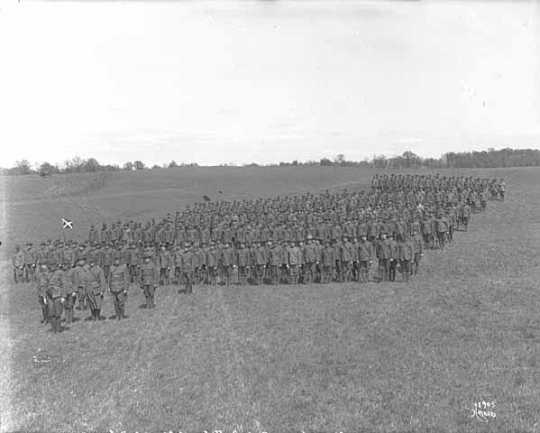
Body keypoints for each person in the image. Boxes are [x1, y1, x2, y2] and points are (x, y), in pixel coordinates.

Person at [109, 255, 130, 319]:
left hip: (121, 288)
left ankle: (122, 315)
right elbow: (109, 278)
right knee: (115, 303)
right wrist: (109, 287)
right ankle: (117, 315)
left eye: (118, 260)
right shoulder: (111, 268)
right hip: (113, 287)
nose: (116, 261)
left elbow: (126, 278)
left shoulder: (123, 267)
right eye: (115, 260)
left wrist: (126, 288)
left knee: (121, 303)